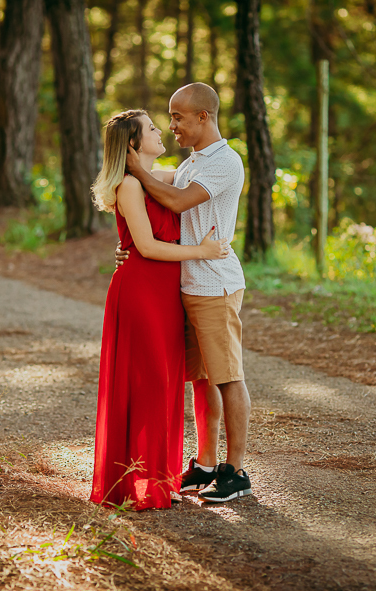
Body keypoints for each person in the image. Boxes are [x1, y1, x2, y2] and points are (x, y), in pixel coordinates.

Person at [118, 83, 253, 503]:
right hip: (186, 283)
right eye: (169, 118)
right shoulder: (193, 161)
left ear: (203, 118)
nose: (172, 124)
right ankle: (206, 463)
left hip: (214, 284)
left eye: (177, 117)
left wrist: (138, 170)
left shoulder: (225, 163)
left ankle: (236, 472)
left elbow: (175, 202)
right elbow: (139, 192)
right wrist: (131, 244)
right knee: (201, 379)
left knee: (227, 376)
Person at [90, 109, 231, 511]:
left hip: (165, 293)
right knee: (148, 383)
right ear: (134, 144)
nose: (160, 130)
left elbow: (181, 189)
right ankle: (136, 481)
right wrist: (201, 251)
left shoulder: (160, 178)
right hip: (141, 293)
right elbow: (147, 247)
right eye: (152, 127)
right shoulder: (131, 186)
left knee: (165, 384)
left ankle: (158, 476)